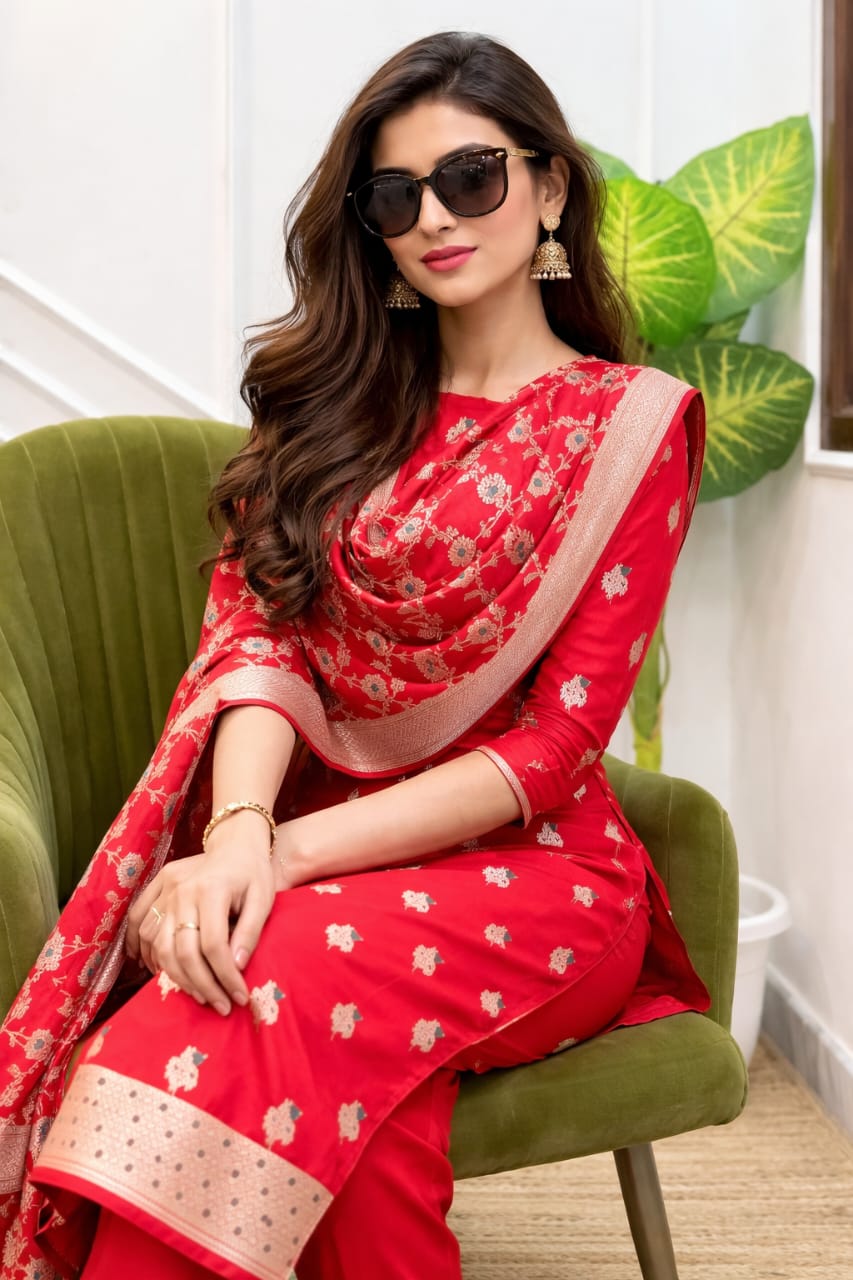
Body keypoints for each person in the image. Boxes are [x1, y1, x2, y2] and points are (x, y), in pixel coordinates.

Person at [0, 30, 709, 1280]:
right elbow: (258, 642)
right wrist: (232, 836)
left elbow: (551, 750)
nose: (436, 215)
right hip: (307, 849)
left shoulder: (625, 425)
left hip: (535, 880)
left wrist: (279, 859)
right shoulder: (335, 410)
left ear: (548, 189)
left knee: (240, 968)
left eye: (472, 177)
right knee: (358, 1122)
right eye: (397, 195)